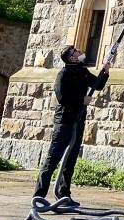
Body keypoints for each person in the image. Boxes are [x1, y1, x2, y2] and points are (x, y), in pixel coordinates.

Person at [34, 45, 111, 203]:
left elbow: (98, 84)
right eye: (76, 52)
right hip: (64, 121)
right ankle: (39, 196)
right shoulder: (64, 74)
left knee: (71, 159)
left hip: (78, 120)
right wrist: (81, 100)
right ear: (70, 58)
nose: (80, 53)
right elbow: (62, 97)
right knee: (53, 158)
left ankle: (64, 195)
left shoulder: (82, 72)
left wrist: (105, 71)